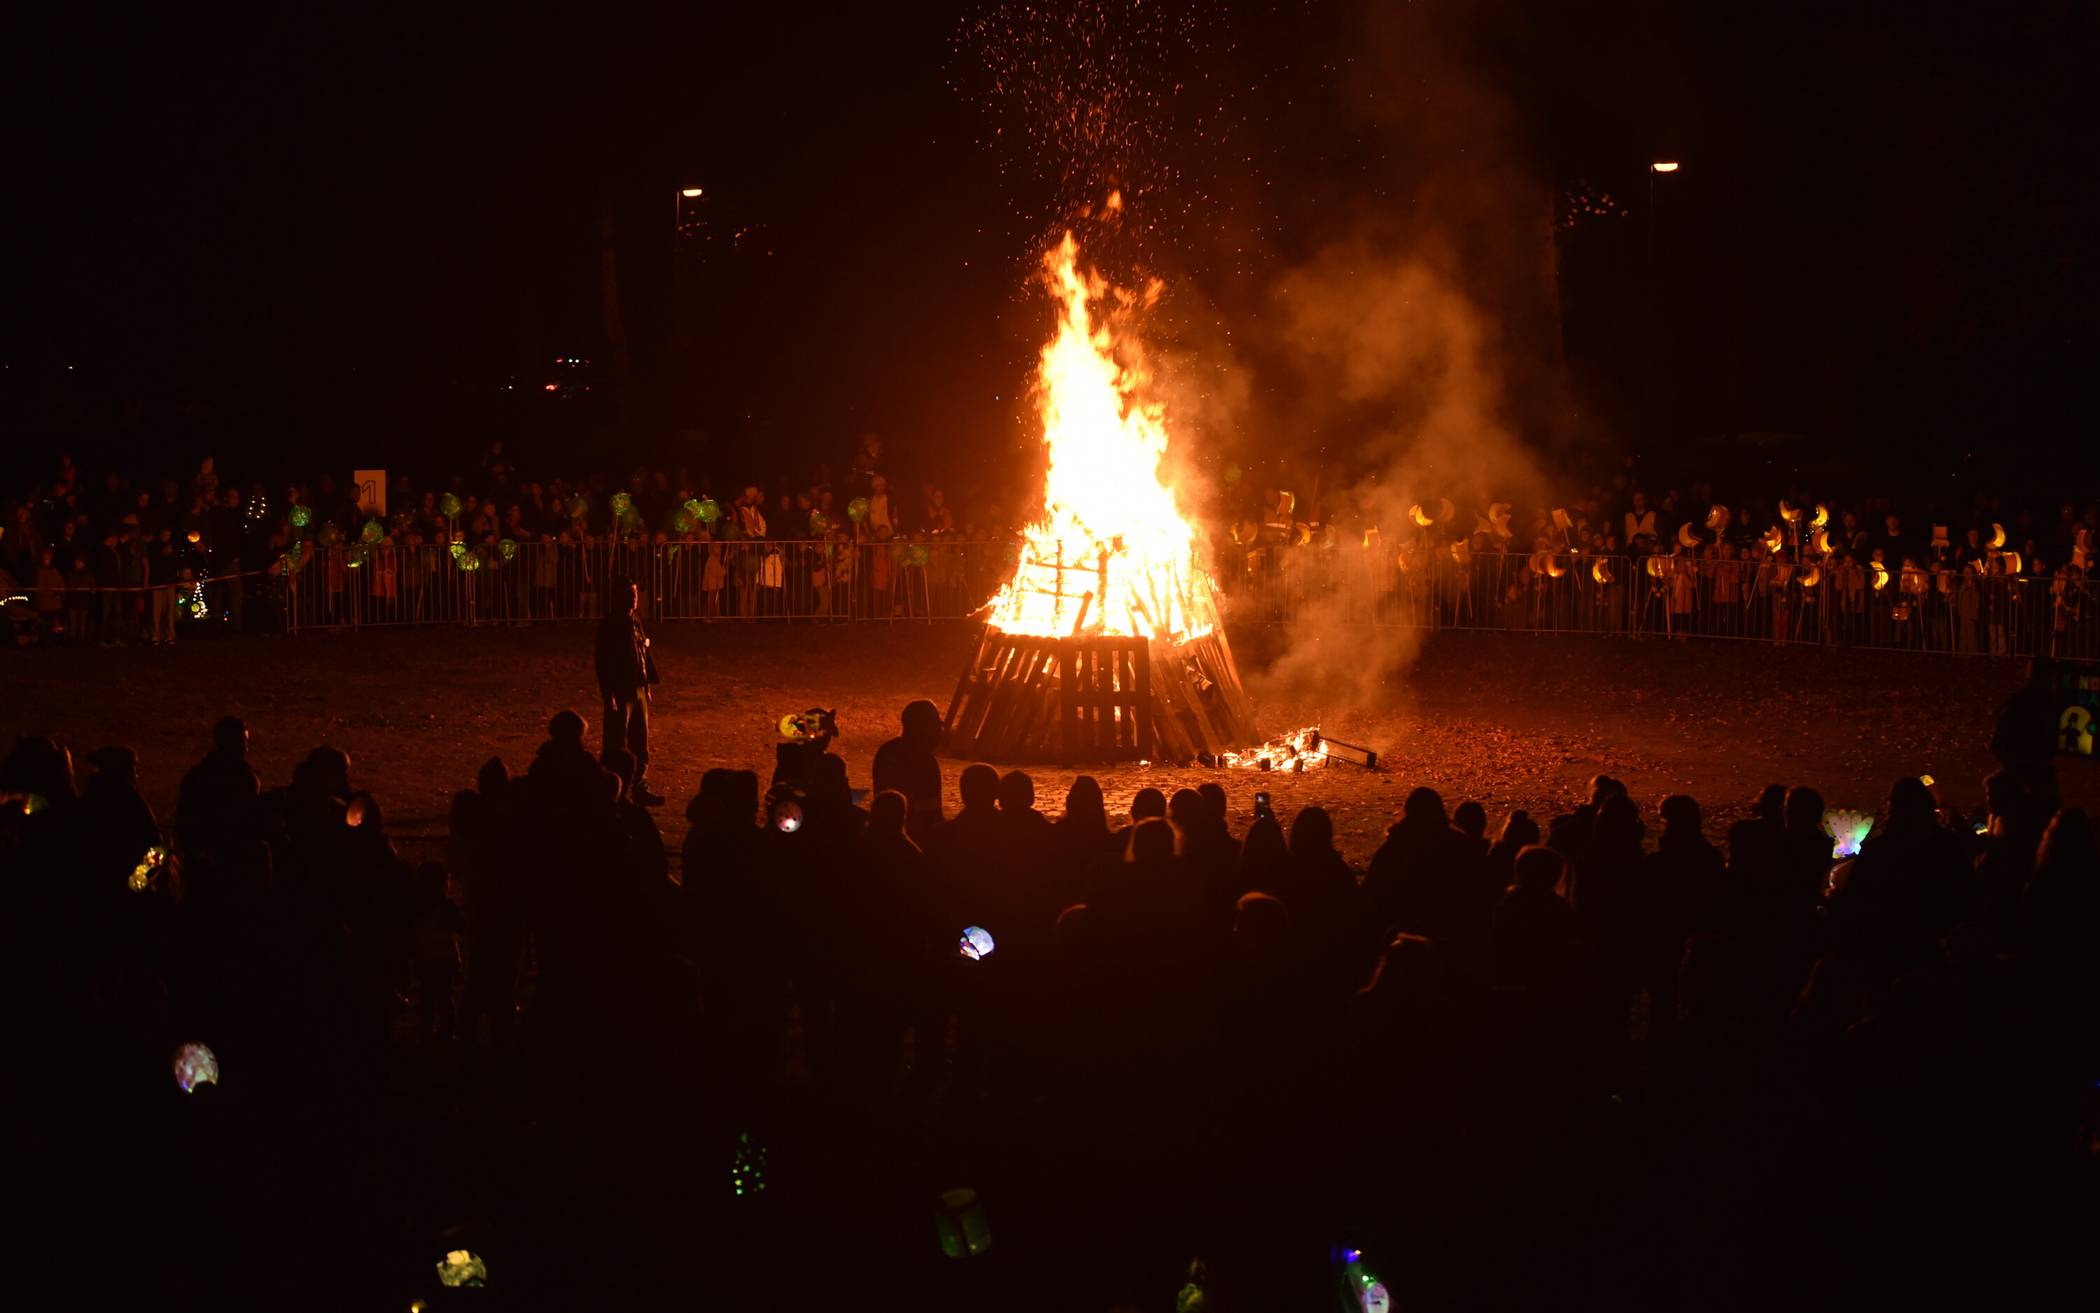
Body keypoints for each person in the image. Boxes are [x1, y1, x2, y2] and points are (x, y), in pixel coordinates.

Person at [594, 574, 663, 806]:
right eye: (630, 594)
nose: (635, 598)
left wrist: (646, 684)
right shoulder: (611, 625)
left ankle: (639, 787)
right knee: (616, 743)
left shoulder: (634, 620)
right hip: (621, 691)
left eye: (635, 593)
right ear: (618, 597)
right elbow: (603, 662)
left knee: (640, 743)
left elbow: (643, 652)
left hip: (637, 689)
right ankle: (613, 791)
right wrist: (609, 694)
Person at [871, 698, 944, 843]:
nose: (938, 732)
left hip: (884, 834)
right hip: (913, 839)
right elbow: (931, 815)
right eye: (934, 727)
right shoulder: (925, 762)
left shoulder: (887, 752)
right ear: (923, 729)